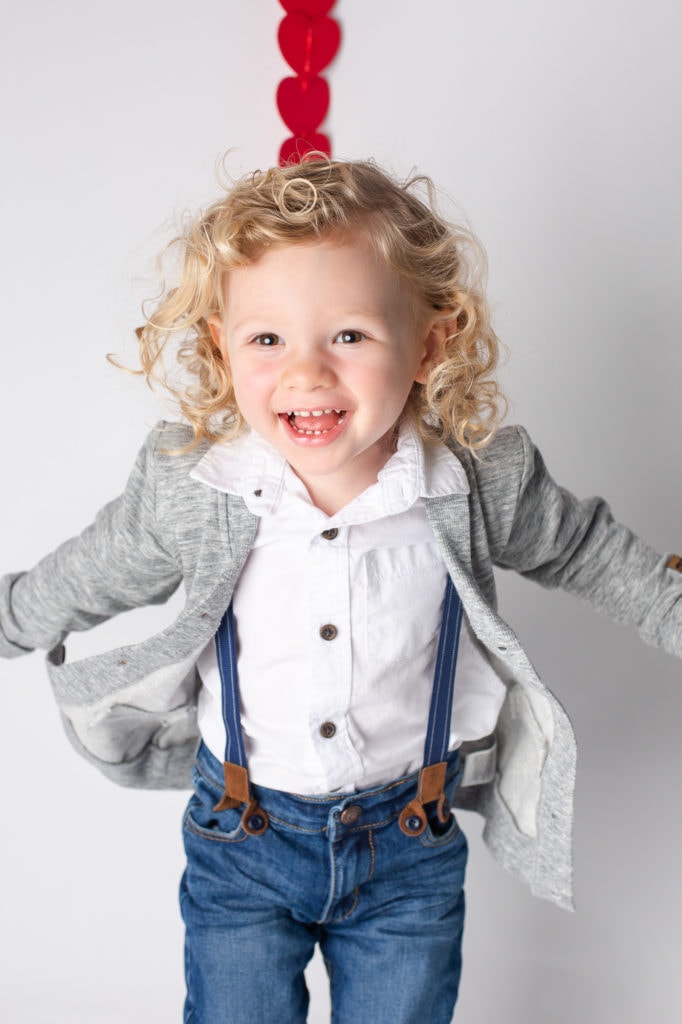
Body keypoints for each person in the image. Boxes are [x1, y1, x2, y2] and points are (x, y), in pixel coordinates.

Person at [0, 158, 680, 1023]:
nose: (307, 372)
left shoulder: (473, 482)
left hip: (409, 843)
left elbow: (586, 550)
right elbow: (94, 569)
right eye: (267, 339)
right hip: (240, 839)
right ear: (221, 346)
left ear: (431, 340)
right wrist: (13, 616)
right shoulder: (197, 487)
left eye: (349, 336)